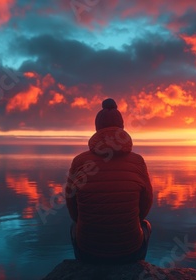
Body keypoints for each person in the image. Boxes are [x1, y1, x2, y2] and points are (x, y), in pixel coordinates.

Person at [65, 98, 153, 264]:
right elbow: (145, 206)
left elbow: (73, 210)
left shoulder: (79, 162)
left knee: (72, 227)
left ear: (97, 128)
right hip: (129, 252)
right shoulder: (138, 162)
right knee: (145, 225)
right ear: (121, 128)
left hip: (89, 252)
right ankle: (135, 269)